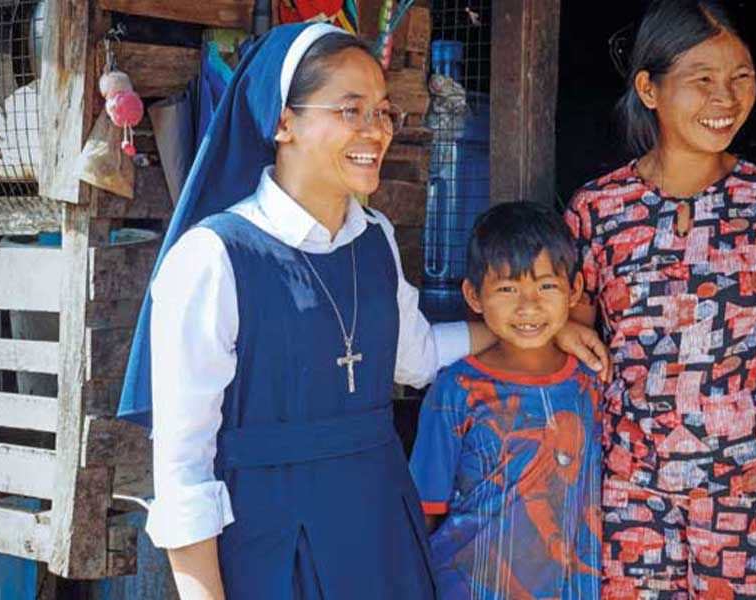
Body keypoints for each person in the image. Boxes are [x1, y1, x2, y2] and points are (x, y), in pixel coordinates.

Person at [115, 24, 609, 599]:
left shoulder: (375, 239)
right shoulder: (212, 258)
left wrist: (536, 335)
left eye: (382, 111)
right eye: (351, 111)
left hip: (378, 531)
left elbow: (416, 354)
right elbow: (183, 468)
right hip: (272, 541)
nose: (376, 131)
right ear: (282, 122)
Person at [565, 2, 756, 597]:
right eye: (702, 79)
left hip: (755, 481)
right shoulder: (599, 208)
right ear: (649, 88)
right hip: (634, 481)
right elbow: (576, 331)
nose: (725, 98)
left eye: (740, 77)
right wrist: (565, 330)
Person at [410, 202, 602, 599]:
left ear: (576, 290)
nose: (528, 305)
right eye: (507, 289)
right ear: (473, 295)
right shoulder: (455, 391)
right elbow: (424, 511)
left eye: (546, 286)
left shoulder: (591, 384)